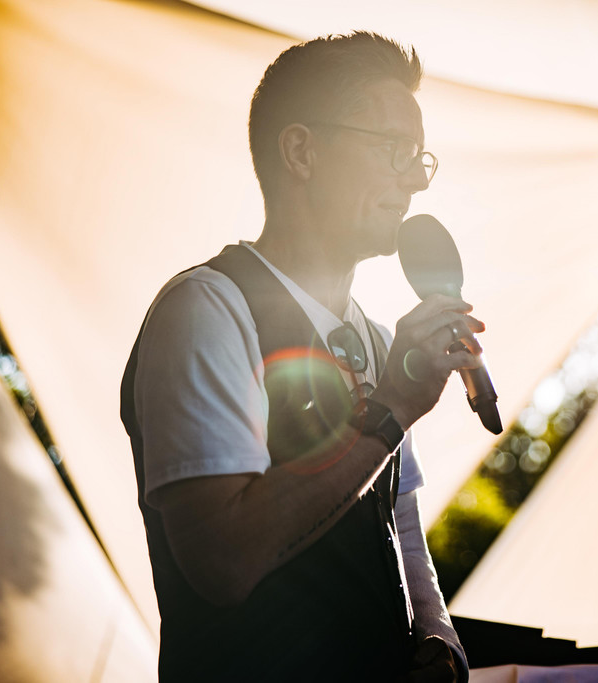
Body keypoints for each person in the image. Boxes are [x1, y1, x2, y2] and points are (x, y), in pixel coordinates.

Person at [120, 32, 481, 682]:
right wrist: (391, 411)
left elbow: (398, 519)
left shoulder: (378, 337)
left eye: (419, 159)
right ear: (301, 152)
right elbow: (222, 562)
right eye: (394, 150)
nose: (413, 182)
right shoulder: (206, 309)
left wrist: (437, 632)